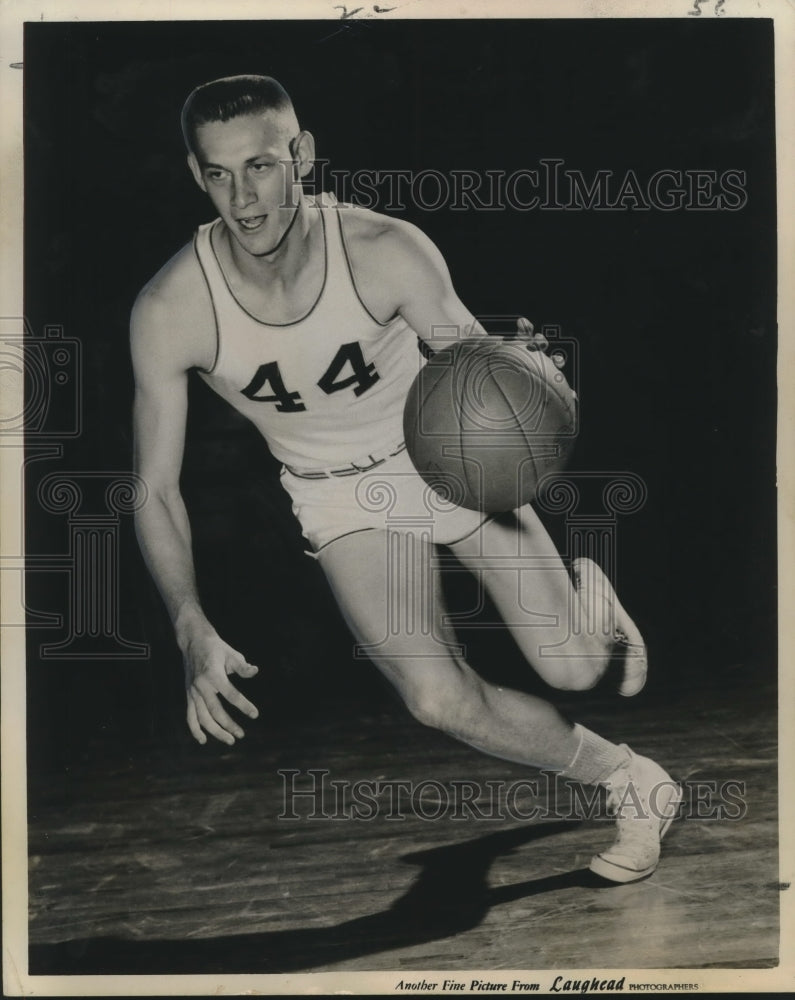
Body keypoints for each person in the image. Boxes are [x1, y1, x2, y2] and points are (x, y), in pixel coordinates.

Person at [131, 74, 680, 884]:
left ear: (302, 156)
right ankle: (632, 782)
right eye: (218, 173)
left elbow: (471, 370)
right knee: (435, 700)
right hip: (333, 492)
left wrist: (533, 382)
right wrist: (189, 625)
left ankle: (588, 609)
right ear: (194, 174)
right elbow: (155, 489)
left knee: (571, 668)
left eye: (260, 166)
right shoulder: (172, 307)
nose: (242, 198)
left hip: (441, 455)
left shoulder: (386, 249)